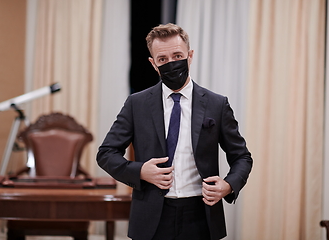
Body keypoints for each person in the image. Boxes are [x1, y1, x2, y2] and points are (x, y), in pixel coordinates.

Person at [97, 23, 252, 240]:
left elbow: (242, 157)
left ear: (190, 56)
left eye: (177, 55)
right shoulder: (136, 104)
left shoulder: (217, 104)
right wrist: (140, 171)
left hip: (201, 215)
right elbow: (106, 153)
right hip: (151, 218)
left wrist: (228, 185)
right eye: (163, 59)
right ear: (153, 63)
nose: (171, 63)